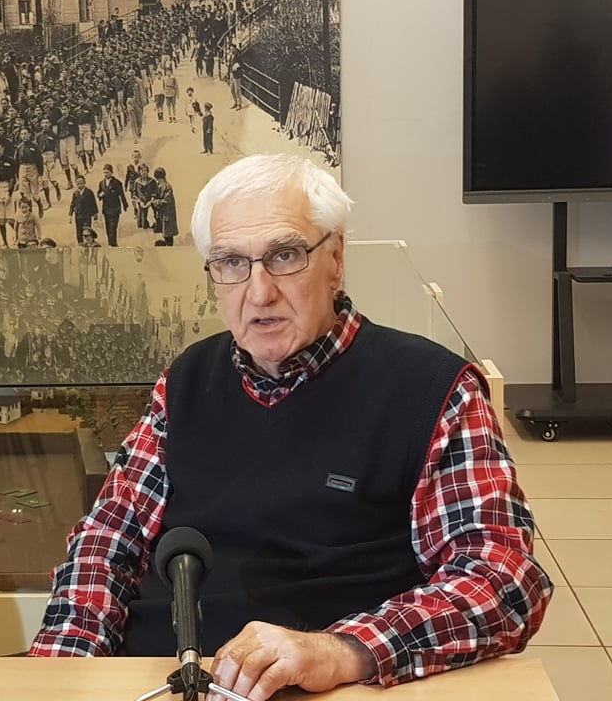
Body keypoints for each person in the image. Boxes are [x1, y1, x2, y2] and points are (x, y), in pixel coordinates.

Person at [28, 154, 553, 696]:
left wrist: (342, 650)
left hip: (330, 686)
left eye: (284, 256)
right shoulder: (185, 380)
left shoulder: (434, 391)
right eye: (231, 262)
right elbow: (106, 541)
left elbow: (503, 582)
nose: (258, 292)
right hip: (159, 676)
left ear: (336, 259)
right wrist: (60, 674)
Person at [97, 163, 128, 248]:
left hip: (115, 209)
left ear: (111, 172)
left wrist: (125, 205)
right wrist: (100, 195)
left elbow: (122, 194)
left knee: (113, 228)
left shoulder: (117, 183)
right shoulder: (101, 183)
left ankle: (113, 245)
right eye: (104, 172)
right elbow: (98, 193)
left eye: (107, 172)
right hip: (106, 209)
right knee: (108, 228)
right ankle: (110, 244)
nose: (105, 174)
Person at [150, 167, 177, 245]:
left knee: (168, 234)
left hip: (167, 214)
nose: (159, 181)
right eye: (158, 179)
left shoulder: (167, 187)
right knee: (163, 232)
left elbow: (167, 200)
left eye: (160, 179)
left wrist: (157, 202)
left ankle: (169, 247)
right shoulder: (158, 186)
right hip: (161, 214)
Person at [68, 174, 98, 245]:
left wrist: (95, 213)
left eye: (81, 183)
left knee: (87, 230)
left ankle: (88, 243)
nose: (79, 185)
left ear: (84, 183)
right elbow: (72, 204)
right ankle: (80, 244)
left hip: (87, 215)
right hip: (78, 216)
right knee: (79, 231)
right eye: (78, 183)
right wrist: (70, 215)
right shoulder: (75, 193)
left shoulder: (89, 192)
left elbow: (93, 203)